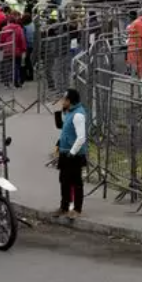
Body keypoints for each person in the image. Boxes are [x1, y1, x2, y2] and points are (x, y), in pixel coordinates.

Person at [56, 88, 88, 219]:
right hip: (65, 152)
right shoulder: (70, 112)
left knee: (76, 181)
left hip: (73, 155)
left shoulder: (78, 115)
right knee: (64, 180)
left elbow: (81, 137)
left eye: (64, 99)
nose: (62, 101)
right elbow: (65, 131)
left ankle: (77, 209)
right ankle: (64, 206)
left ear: (70, 101)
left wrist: (72, 152)